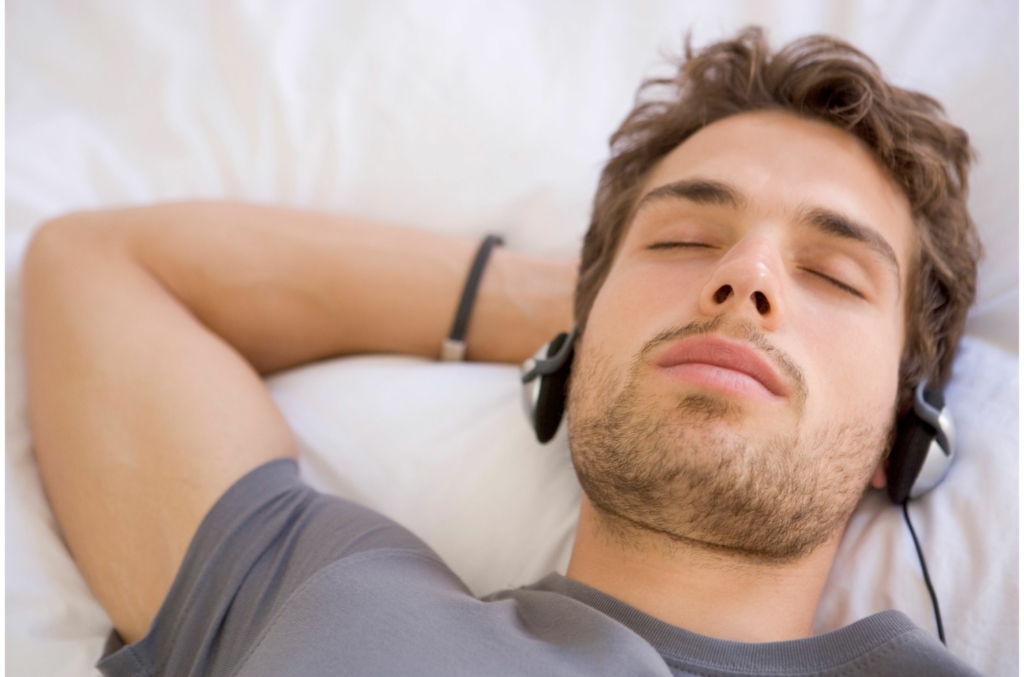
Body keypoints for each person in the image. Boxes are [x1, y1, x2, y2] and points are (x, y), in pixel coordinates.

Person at [23, 27, 984, 677]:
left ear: (902, 437)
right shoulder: (322, 592)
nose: (747, 276)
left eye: (833, 274)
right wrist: (575, 312)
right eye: (683, 240)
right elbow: (98, 266)